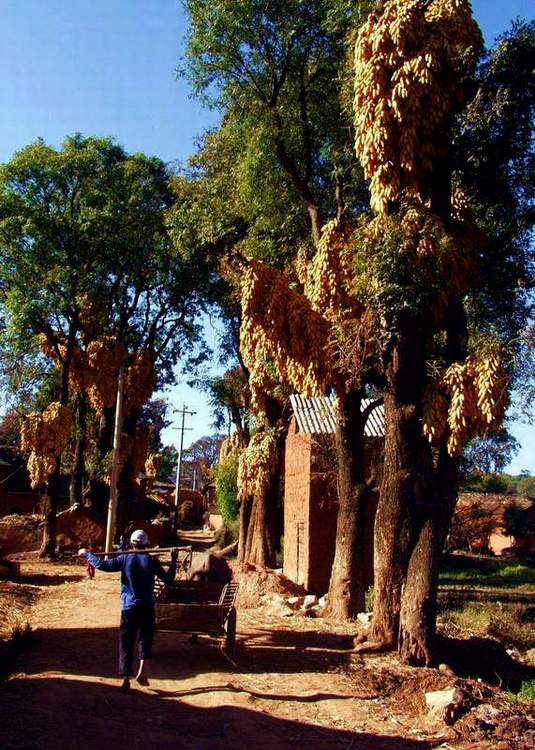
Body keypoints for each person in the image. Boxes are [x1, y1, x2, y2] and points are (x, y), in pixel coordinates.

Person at [78, 529, 177, 692]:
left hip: (129, 607)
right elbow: (169, 580)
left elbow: (102, 564)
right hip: (147, 606)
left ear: (131, 543)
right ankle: (142, 672)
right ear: (147, 544)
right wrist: (173, 560)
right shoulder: (151, 561)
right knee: (145, 638)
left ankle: (125, 678)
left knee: (126, 641)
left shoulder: (124, 559)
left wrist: (87, 554)